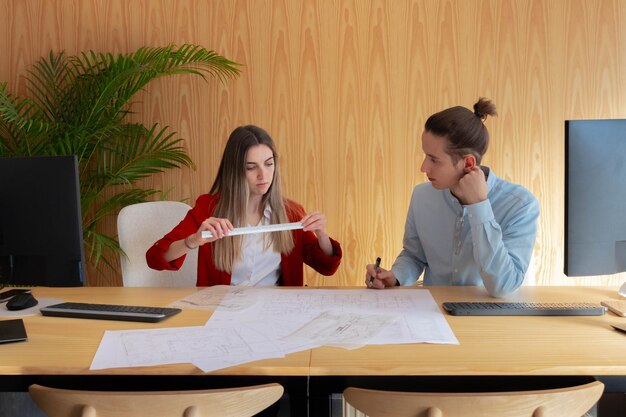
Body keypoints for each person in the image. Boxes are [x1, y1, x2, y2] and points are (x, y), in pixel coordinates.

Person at [365, 98, 539, 297]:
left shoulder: (521, 205)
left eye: (434, 160)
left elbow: (504, 285)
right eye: (425, 155)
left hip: (492, 321)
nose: (423, 167)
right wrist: (395, 276)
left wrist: (479, 206)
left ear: (468, 163)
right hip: (433, 314)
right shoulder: (422, 196)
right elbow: (415, 255)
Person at [147, 125, 342, 286]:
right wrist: (193, 240)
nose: (263, 175)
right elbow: (155, 257)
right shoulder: (208, 208)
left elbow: (326, 267)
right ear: (236, 170)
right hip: (222, 315)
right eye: (251, 167)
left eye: (268, 164)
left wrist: (322, 234)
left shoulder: (290, 213)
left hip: (275, 315)